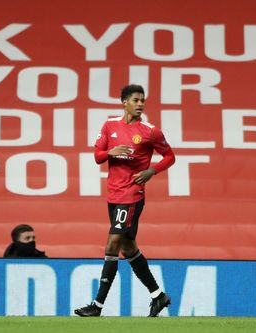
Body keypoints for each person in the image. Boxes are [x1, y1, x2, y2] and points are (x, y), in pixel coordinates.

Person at [74, 84, 175, 317]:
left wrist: (152, 171)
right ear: (124, 102)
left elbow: (170, 156)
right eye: (136, 100)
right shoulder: (110, 125)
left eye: (143, 100)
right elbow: (98, 156)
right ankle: (158, 295)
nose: (140, 104)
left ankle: (97, 305)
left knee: (112, 245)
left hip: (132, 195)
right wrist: (110, 152)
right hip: (113, 194)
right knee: (129, 248)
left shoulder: (150, 131)